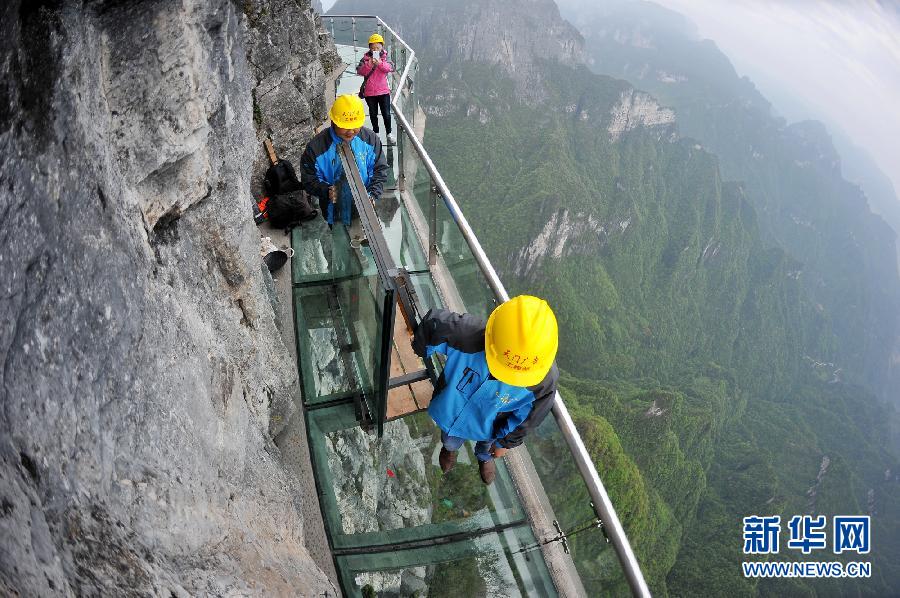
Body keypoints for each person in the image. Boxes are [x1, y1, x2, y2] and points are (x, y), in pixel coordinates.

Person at [412, 296, 560, 485]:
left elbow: (529, 418)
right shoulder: (467, 336)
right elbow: (433, 326)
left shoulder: (543, 383)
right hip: (453, 412)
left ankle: (484, 457)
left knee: (488, 446)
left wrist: (505, 443)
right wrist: (420, 347)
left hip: (492, 426)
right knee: (450, 439)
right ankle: (450, 449)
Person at [300, 94, 388, 227]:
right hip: (332, 209)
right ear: (334, 122)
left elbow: (379, 170)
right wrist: (325, 190)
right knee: (337, 240)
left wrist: (372, 195)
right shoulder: (316, 148)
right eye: (345, 126)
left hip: (365, 207)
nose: (351, 131)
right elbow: (309, 179)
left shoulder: (370, 139)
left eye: (355, 126)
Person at [356, 33, 395, 144]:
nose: (375, 49)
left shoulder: (385, 58)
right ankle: (376, 133)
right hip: (370, 92)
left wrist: (380, 64)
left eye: (378, 47)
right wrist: (369, 65)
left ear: (382, 47)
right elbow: (359, 71)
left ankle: (389, 133)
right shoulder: (365, 59)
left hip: (383, 91)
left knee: (386, 113)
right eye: (373, 48)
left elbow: (391, 68)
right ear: (369, 48)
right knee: (373, 113)